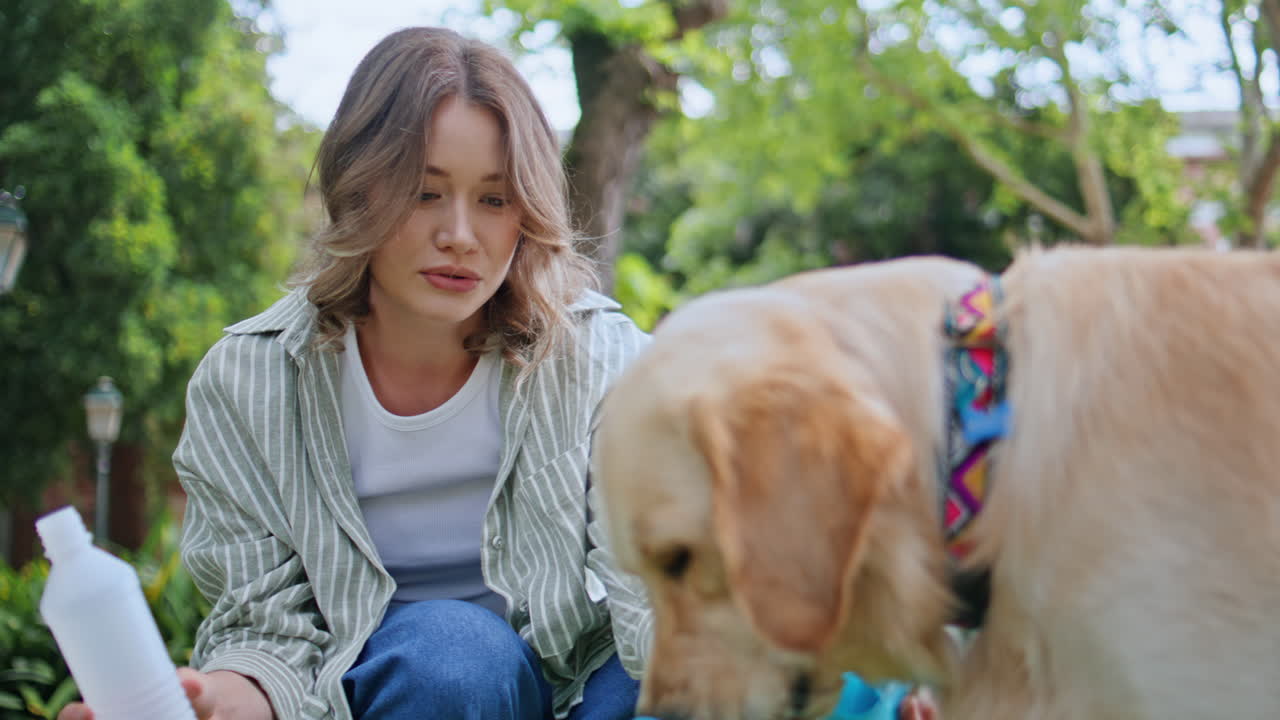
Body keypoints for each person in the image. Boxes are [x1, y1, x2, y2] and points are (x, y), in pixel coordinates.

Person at [58, 25, 940, 720]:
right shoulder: (249, 384)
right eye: (423, 191)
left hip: (595, 684)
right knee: (452, 652)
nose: (460, 236)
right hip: (418, 693)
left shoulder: (599, 356)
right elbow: (267, 632)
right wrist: (217, 702)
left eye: (493, 198)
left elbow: (654, 599)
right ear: (360, 187)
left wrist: (850, 685)